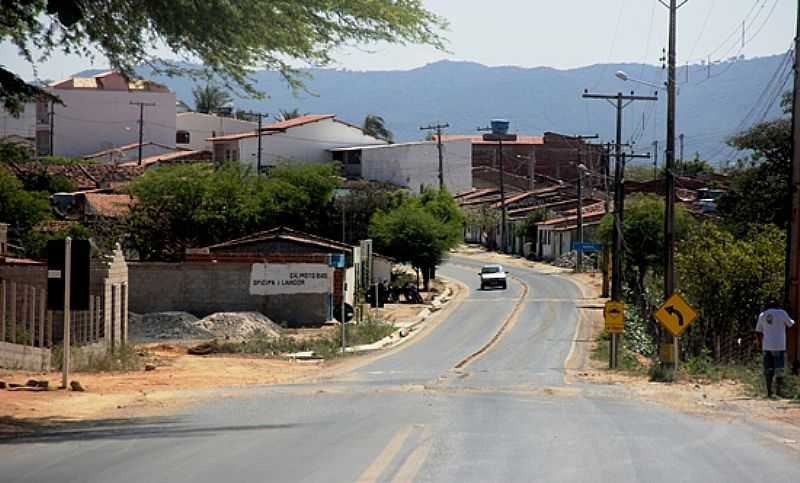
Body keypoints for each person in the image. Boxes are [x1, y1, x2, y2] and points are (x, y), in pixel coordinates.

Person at [755, 299, 796, 398]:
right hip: (779, 345)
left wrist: (760, 344)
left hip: (767, 346)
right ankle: (779, 391)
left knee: (768, 369)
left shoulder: (762, 315)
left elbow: (758, 331)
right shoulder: (782, 313)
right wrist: (792, 315)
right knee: (779, 369)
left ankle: (769, 392)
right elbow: (791, 324)